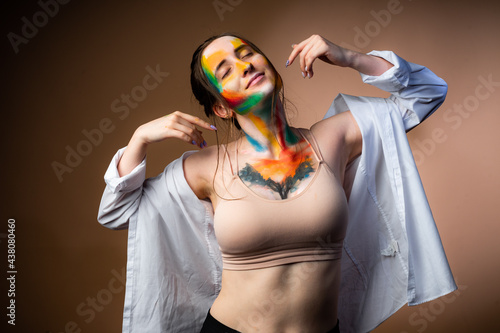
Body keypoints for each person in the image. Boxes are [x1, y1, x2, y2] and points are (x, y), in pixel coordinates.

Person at [98, 33, 456, 333]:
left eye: (247, 53)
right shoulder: (208, 166)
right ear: (221, 108)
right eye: (226, 70)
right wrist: (139, 138)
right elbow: (116, 212)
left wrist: (349, 57)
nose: (245, 65)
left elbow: (427, 93)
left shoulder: (334, 139)